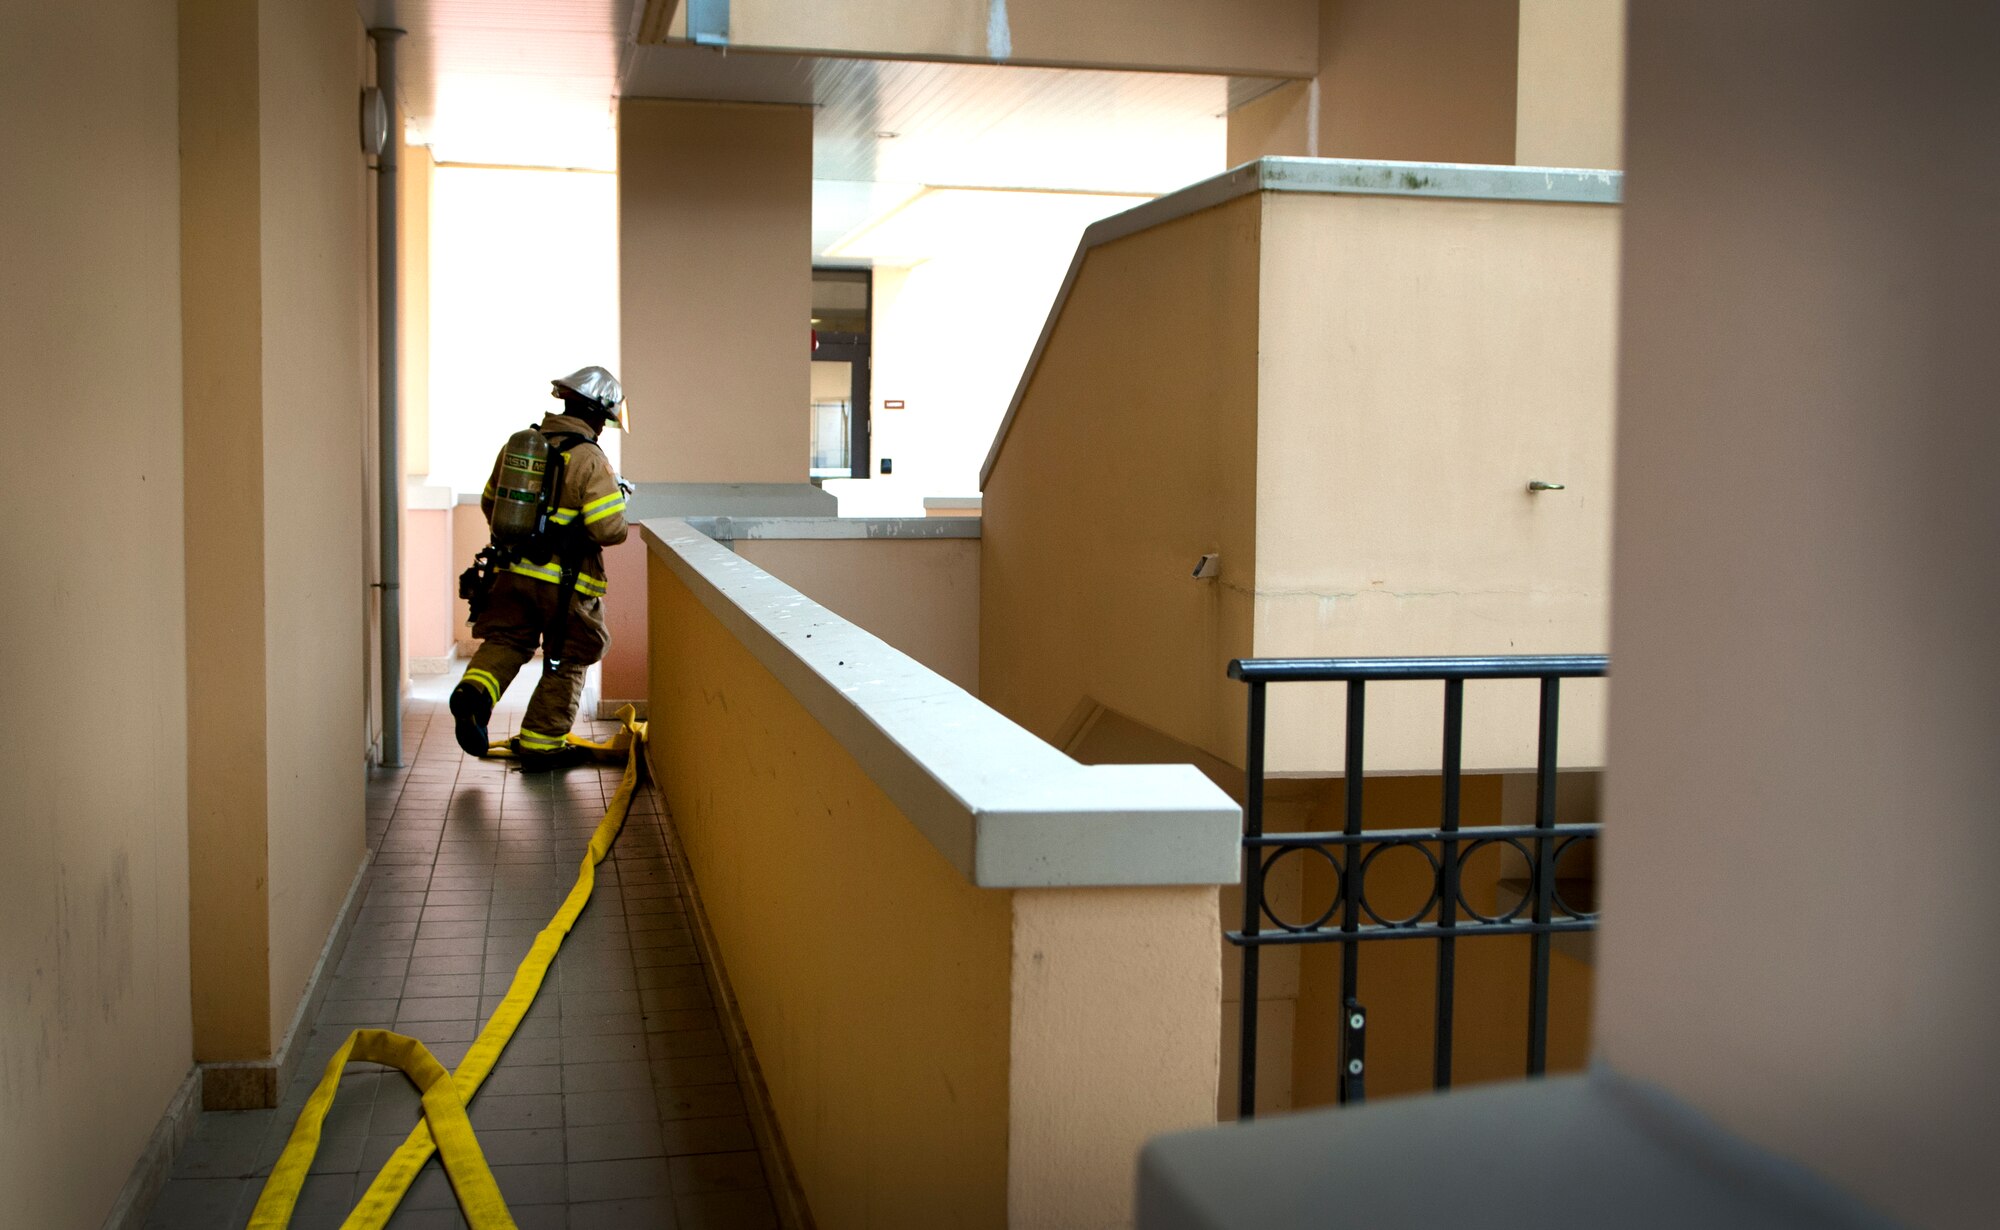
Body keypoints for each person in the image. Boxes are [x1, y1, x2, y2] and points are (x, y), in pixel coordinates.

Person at [449, 366, 630, 770]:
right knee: (571, 656)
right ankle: (541, 743)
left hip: (510, 575)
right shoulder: (589, 458)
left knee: (508, 642)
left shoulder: (520, 447)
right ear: (597, 414)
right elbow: (609, 529)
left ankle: (474, 694)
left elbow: (490, 506)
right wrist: (616, 499)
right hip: (565, 584)